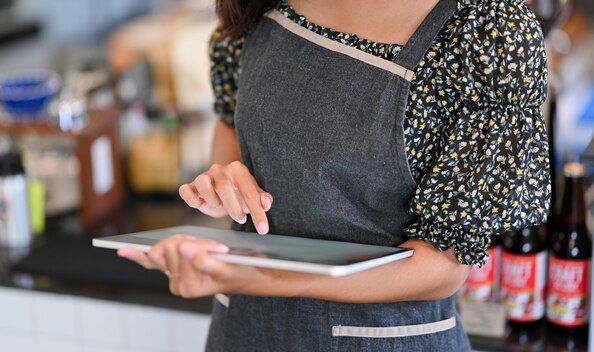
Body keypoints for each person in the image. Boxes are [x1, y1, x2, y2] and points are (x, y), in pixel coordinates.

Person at [118, 0, 550, 350]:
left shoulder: (489, 31)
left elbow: (443, 266)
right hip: (243, 330)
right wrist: (225, 182)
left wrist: (261, 277)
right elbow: (231, 127)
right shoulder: (259, 5)